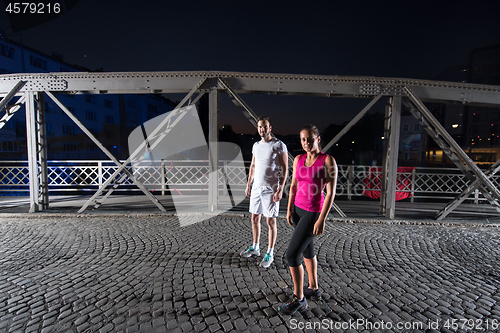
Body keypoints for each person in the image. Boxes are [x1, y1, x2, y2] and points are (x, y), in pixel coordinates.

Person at [279, 124, 337, 315]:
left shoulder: (328, 161)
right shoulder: (298, 159)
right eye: (303, 139)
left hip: (313, 212)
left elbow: (330, 194)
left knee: (292, 255)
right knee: (307, 250)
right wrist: (289, 209)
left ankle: (300, 298)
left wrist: (322, 219)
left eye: (310, 139)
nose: (306, 143)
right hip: (297, 210)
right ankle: (313, 287)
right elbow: (294, 185)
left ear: (318, 139)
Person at [240, 116, 288, 269]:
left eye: (265, 126)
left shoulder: (279, 145)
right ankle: (256, 247)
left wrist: (280, 188)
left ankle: (270, 252)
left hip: (271, 188)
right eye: (260, 126)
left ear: (270, 128)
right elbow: (253, 165)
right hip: (256, 187)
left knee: (270, 221)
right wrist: (248, 184)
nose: (262, 129)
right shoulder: (256, 145)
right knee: (254, 218)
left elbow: (285, 168)